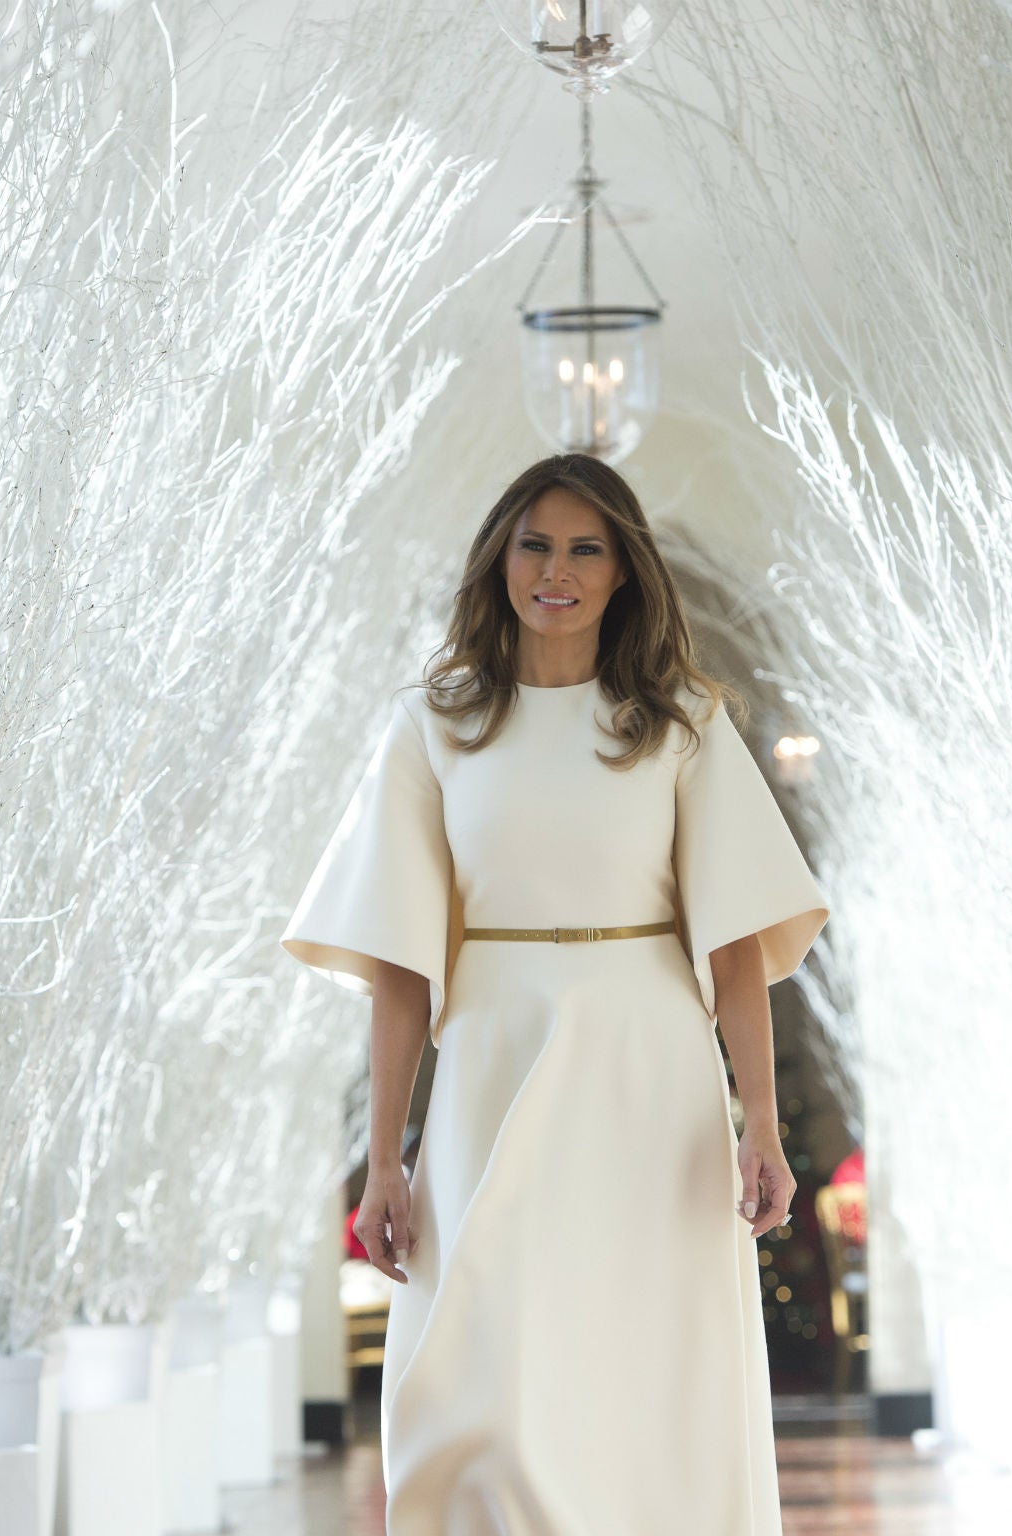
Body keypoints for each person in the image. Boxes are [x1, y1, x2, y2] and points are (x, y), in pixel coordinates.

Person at [281, 452, 830, 1533]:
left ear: (624, 571)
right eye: (535, 543)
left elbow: (731, 948)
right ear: (499, 561)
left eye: (587, 548)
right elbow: (397, 965)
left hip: (647, 1074)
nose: (557, 570)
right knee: (476, 1368)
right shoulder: (432, 726)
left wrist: (758, 1123)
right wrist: (384, 1155)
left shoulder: (679, 723)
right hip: (488, 1061)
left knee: (640, 1359)